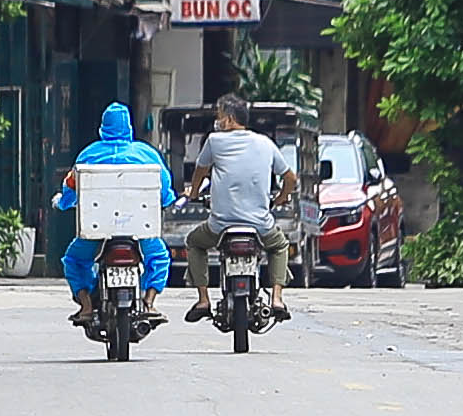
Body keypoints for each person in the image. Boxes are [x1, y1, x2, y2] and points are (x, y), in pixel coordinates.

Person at [181, 94, 294, 323]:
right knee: (279, 245)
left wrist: (193, 193)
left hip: (221, 224)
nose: (217, 121)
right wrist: (282, 197)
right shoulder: (265, 143)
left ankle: (203, 299)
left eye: (220, 116)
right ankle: (277, 298)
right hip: (260, 226)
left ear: (230, 120)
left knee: (194, 242)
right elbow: (290, 177)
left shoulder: (214, 141)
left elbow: (200, 172)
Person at [55, 102, 174, 317]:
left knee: (74, 260)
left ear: (102, 128)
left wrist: (62, 203)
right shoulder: (148, 154)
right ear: (129, 127)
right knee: (159, 257)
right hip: (140, 228)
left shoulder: (88, 155)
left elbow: (71, 188)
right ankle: (149, 302)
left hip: (97, 229)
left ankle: (86, 306)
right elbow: (164, 190)